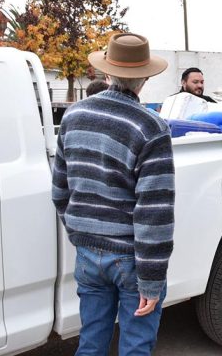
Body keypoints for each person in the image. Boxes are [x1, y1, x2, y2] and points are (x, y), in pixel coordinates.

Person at [52, 33, 175, 356]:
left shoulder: (73, 117)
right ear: (145, 79)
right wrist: (152, 280)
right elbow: (154, 212)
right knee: (135, 347)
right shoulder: (151, 127)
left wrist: (80, 232)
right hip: (131, 258)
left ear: (106, 73)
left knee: (91, 343)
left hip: (87, 254)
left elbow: (60, 191)